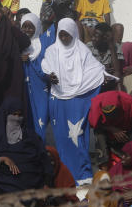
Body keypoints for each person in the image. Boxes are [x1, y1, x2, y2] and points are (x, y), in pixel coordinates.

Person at [41, 18, 108, 181]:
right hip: (58, 99)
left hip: (77, 101)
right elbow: (45, 66)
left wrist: (103, 76)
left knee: (78, 137)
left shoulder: (82, 50)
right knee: (62, 139)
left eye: (67, 35)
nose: (64, 39)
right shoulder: (51, 51)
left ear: (73, 33)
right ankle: (64, 175)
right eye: (61, 35)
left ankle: (82, 174)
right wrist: (50, 76)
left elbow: (95, 68)